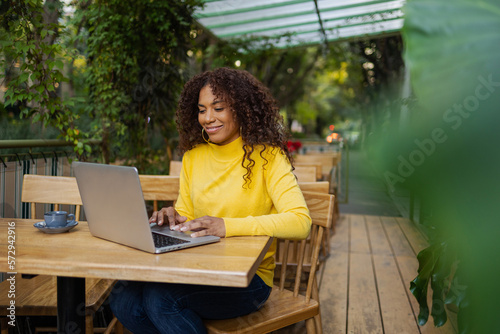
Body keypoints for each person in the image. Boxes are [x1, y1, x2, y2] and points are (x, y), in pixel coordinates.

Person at [109, 67, 311, 333]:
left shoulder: (269, 157)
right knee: (122, 298)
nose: (208, 117)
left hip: (249, 280)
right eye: (202, 109)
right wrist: (173, 216)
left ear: (241, 109)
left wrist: (226, 226)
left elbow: (300, 222)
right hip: (197, 267)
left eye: (218, 108)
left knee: (161, 300)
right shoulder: (193, 157)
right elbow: (186, 214)